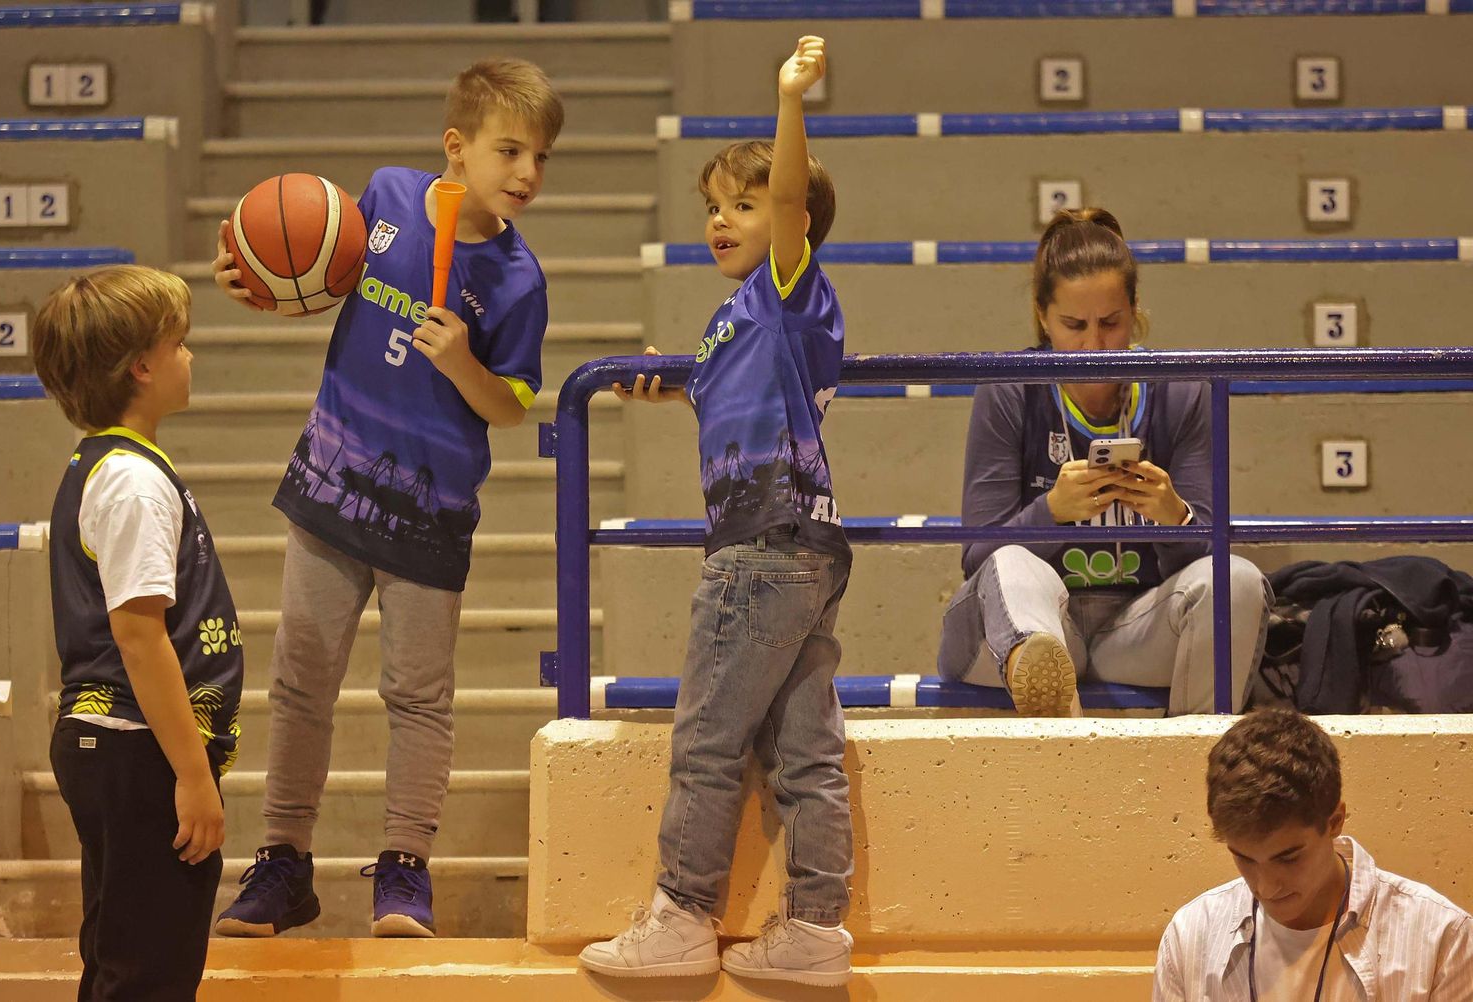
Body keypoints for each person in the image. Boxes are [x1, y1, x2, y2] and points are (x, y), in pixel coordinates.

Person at [210, 57, 562, 938]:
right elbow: (318, 271)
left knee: (418, 697)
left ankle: (405, 869)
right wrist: (259, 282)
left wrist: (464, 364)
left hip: (429, 514)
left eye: (541, 157)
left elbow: (513, 406)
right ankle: (284, 861)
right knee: (300, 683)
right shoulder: (389, 197)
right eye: (510, 149)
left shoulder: (520, 282)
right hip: (331, 489)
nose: (527, 172)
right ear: (458, 146)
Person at [578, 37, 856, 987]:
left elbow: (788, 197)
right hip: (805, 544)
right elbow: (739, 392)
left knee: (703, 740)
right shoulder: (739, 316)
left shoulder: (788, 288)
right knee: (802, 746)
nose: (722, 219)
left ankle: (684, 914)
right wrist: (681, 387)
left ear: (792, 226)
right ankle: (818, 929)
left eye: (742, 203)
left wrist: (787, 97)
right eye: (712, 207)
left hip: (761, 548)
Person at [937, 208, 1270, 717]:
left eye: (1111, 323)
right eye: (1074, 325)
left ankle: (1200, 773)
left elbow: (1204, 554)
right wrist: (1051, 511)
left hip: (1134, 629)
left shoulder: (1181, 392)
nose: (1094, 345)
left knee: (1236, 579)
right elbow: (977, 557)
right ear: (1043, 316)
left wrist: (1173, 520)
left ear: (1134, 310)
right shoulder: (1009, 388)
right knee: (1009, 561)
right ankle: (1057, 732)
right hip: (1029, 624)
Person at [33, 265, 242, 1000]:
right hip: (136, 748)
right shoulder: (133, 482)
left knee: (127, 958)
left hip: (123, 747)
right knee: (146, 975)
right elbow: (140, 636)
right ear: (142, 367)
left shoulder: (116, 467)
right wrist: (191, 773)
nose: (192, 357)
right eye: (180, 344)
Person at [1154, 708, 1473, 999]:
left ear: (1335, 822)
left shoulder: (1442, 938)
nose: (1266, 887)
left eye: (1288, 857)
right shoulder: (1191, 935)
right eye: (1244, 859)